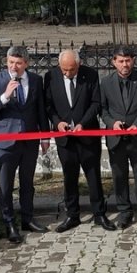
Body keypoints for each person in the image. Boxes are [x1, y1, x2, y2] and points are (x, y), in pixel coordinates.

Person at [0, 47, 50, 244]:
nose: (14, 66)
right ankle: (9, 222)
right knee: (6, 184)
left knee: (27, 182)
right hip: (6, 141)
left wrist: (45, 136)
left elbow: (41, 110)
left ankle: (27, 218)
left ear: (26, 64)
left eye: (18, 63)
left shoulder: (36, 80)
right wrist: (5, 96)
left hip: (29, 140)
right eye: (11, 62)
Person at [44, 49, 111, 232]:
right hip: (65, 139)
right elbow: (48, 105)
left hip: (87, 135)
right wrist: (57, 123)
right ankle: (72, 215)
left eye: (71, 70)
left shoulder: (90, 75)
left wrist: (83, 123)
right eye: (64, 70)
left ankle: (99, 214)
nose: (67, 73)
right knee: (69, 177)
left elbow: (96, 103)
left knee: (93, 176)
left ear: (78, 65)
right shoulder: (50, 77)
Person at [100, 46, 137, 229]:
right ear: (114, 62)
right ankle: (124, 212)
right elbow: (103, 109)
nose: (125, 64)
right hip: (116, 138)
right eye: (121, 61)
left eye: (128, 60)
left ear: (133, 60)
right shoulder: (106, 82)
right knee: (119, 178)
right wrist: (112, 123)